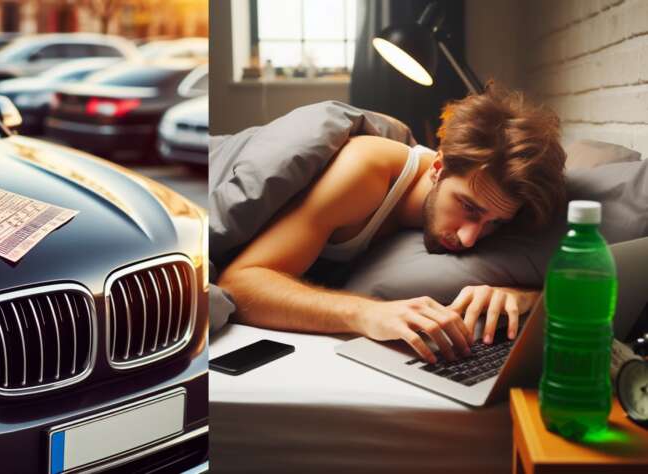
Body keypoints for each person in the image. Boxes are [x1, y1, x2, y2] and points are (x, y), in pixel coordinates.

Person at [217, 84, 567, 364]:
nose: (470, 238)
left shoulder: (480, 198)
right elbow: (241, 282)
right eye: (469, 209)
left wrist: (524, 297)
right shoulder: (363, 173)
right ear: (437, 168)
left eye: (494, 224)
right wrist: (366, 314)